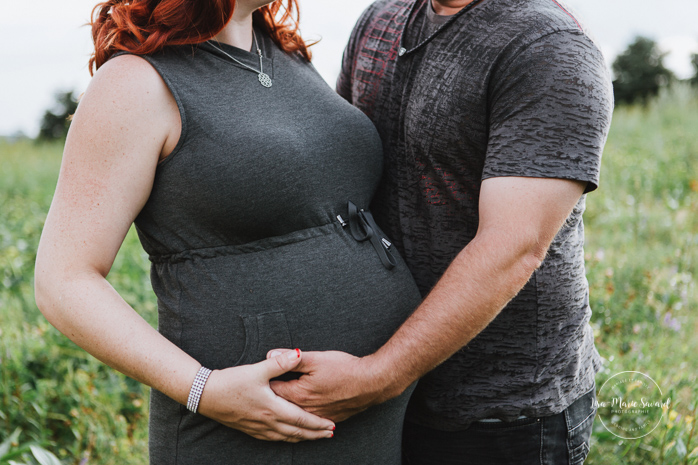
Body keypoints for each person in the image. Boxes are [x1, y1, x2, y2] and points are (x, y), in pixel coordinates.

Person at [33, 0, 422, 463]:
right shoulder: (133, 83)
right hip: (252, 427)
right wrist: (204, 389)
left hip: (368, 418)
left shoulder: (283, 53)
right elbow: (64, 281)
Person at [268, 0, 614, 463]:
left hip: (502, 412)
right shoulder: (381, 18)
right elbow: (342, 170)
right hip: (379, 398)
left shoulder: (549, 48)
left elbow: (512, 246)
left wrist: (378, 377)